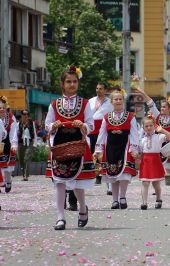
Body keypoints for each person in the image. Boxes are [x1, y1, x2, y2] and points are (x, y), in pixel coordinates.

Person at [45, 65, 95, 230]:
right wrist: (53, 125)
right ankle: (60, 217)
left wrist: (83, 126)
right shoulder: (54, 104)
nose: (72, 84)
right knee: (59, 182)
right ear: (62, 84)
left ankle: (82, 208)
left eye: (74, 81)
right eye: (68, 81)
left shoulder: (85, 103)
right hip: (60, 145)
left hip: (78, 145)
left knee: (78, 183)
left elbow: (91, 125)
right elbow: (47, 124)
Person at [94, 89, 139, 210]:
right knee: (112, 175)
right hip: (111, 148)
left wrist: (134, 148)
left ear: (123, 101)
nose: (118, 101)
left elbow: (134, 133)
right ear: (111, 102)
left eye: (120, 99)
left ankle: (122, 197)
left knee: (124, 174)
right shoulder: (106, 117)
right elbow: (102, 133)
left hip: (125, 147)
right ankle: (114, 200)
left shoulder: (130, 116)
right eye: (116, 99)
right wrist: (98, 148)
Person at [135, 86, 170, 194]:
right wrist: (143, 92)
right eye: (161, 107)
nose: (162, 108)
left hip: (167, 146)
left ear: (169, 109)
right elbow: (150, 103)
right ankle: (157, 186)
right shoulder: (157, 116)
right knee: (158, 167)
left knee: (168, 168)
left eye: (164, 107)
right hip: (155, 145)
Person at [138, 113, 170, 210]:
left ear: (154, 126)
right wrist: (136, 155)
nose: (149, 128)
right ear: (143, 127)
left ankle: (159, 198)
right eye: (146, 126)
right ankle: (144, 202)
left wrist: (162, 130)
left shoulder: (159, 136)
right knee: (145, 182)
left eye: (151, 125)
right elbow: (140, 152)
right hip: (145, 162)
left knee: (156, 183)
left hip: (155, 161)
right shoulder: (141, 139)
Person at [89, 82, 113, 186]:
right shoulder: (91, 101)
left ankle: (99, 176)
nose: (98, 90)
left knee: (101, 153)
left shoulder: (110, 102)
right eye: (97, 88)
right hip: (92, 129)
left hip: (103, 130)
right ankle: (92, 174)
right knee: (92, 153)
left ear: (105, 90)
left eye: (101, 89)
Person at [0, 96, 18, 193]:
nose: (2, 110)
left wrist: (14, 144)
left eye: (3, 108)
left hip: (7, 143)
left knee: (7, 167)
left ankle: (8, 181)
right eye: (0, 109)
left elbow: (14, 131)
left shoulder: (11, 118)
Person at [17, 110, 38, 181]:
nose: (26, 116)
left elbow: (34, 133)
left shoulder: (32, 123)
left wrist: (35, 143)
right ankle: (23, 174)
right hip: (21, 143)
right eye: (24, 114)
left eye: (27, 114)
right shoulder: (18, 124)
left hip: (29, 143)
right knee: (21, 160)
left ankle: (26, 175)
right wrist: (14, 144)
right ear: (21, 115)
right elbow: (15, 134)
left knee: (27, 158)